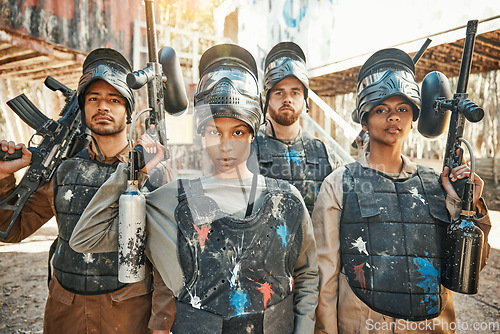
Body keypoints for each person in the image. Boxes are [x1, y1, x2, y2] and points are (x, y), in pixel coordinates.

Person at [69, 43, 319, 334]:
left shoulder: (286, 200)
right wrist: (131, 169)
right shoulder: (171, 200)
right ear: (202, 134)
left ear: (253, 134)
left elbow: (306, 275)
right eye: (214, 131)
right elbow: (86, 238)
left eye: (237, 132)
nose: (225, 144)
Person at [312, 48, 492, 333]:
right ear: (365, 119)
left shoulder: (438, 184)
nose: (393, 117)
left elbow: (471, 267)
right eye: (381, 109)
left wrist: (468, 206)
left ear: (414, 118)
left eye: (402, 109)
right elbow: (325, 278)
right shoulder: (339, 184)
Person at [0, 48, 175, 333]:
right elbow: (11, 228)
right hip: (65, 313)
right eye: (93, 99)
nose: (102, 106)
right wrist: (4, 178)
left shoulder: (153, 172)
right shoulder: (63, 171)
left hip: (127, 315)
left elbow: (168, 260)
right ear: (83, 109)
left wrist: (161, 323)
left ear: (128, 112)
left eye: (114, 100)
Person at [251, 41, 341, 216]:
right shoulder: (247, 150)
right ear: (266, 99)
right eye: (279, 92)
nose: (287, 99)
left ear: (305, 100)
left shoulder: (326, 156)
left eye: (295, 92)